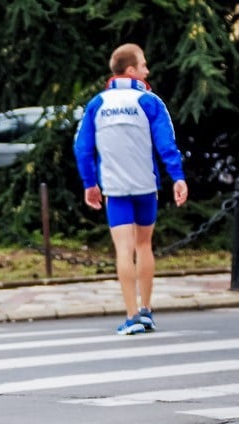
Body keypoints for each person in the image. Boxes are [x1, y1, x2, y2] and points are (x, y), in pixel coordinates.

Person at [74, 43, 188, 335]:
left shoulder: (97, 104)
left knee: (123, 250)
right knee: (144, 246)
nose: (147, 70)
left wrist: (90, 184)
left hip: (115, 188)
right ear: (131, 70)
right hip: (145, 185)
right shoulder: (150, 101)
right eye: (144, 65)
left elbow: (82, 147)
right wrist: (177, 176)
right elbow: (167, 143)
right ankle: (147, 310)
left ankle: (131, 314)